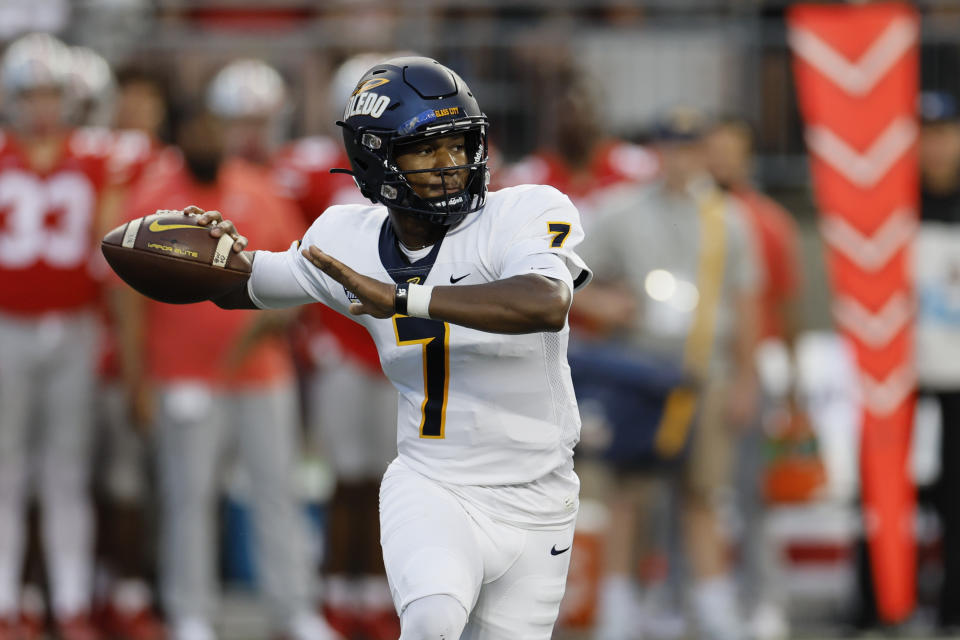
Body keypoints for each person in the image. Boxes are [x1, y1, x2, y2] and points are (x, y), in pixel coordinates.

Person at [158, 56, 592, 640]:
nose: (452, 164)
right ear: (376, 157)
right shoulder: (345, 239)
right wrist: (207, 251)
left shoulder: (525, 211)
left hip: (540, 496)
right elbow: (247, 285)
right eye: (427, 149)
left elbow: (545, 303)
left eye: (460, 145)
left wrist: (403, 298)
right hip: (434, 482)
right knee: (433, 620)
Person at [112, 107, 340, 640]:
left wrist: (267, 327)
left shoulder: (259, 188)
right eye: (196, 126)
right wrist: (135, 377)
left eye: (214, 125)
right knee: (188, 495)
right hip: (183, 373)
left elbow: (301, 268)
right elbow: (124, 295)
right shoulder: (155, 197)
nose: (207, 135)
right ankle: (190, 610)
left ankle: (294, 608)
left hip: (262, 374)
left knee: (277, 489)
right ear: (179, 135)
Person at [573, 107, 760, 640]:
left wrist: (748, 378)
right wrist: (607, 306)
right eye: (669, 147)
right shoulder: (620, 210)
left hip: (706, 368)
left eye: (690, 147)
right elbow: (567, 269)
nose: (678, 159)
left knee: (703, 494)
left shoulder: (729, 218)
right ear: (655, 151)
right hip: (636, 372)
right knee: (626, 495)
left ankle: (715, 611)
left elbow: (747, 304)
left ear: (705, 152)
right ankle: (617, 610)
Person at [0, 32, 118, 640]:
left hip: (74, 324)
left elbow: (113, 242)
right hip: (7, 327)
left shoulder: (97, 157)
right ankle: (8, 607)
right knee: (7, 471)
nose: (42, 106)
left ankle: (70, 605)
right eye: (31, 94)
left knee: (67, 472)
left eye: (51, 93)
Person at [704, 115, 805, 640]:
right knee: (690, 496)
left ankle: (763, 599)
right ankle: (690, 598)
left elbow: (787, 305)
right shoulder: (691, 215)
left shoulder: (767, 221)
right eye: (712, 149)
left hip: (749, 367)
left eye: (729, 150)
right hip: (697, 369)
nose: (720, 160)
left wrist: (790, 377)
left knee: (752, 495)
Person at [913, 90, 960, 633]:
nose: (935, 146)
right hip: (903, 374)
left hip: (955, 376)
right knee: (884, 492)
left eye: (944, 134)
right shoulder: (893, 204)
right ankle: (879, 601)